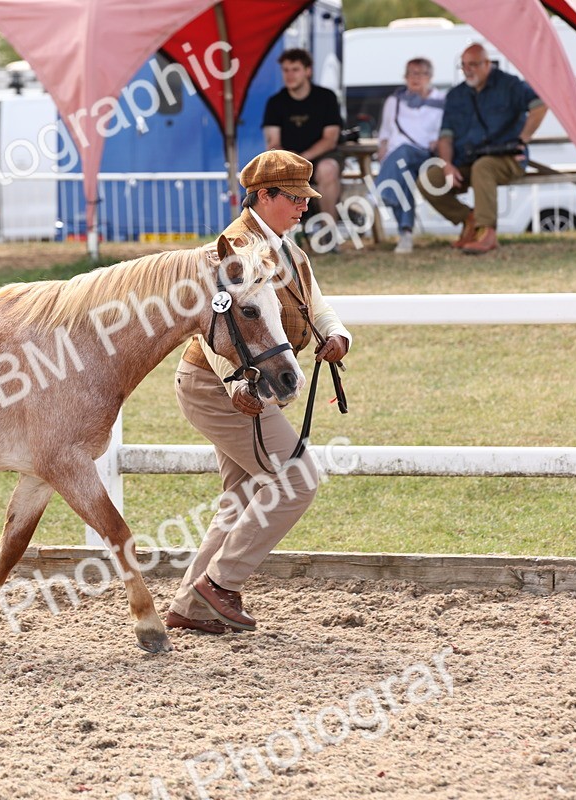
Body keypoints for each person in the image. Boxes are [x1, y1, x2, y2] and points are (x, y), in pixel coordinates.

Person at [165, 150, 352, 635]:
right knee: (297, 479)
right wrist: (234, 383)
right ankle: (220, 584)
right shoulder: (230, 252)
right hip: (222, 388)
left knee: (243, 494)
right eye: (293, 198)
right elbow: (214, 323)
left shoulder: (288, 249)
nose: (304, 207)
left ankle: (190, 605)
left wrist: (334, 333)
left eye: (305, 198)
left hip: (246, 386)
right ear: (263, 196)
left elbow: (313, 300)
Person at [419, 43, 548, 255]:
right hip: (466, 159)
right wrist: (448, 165)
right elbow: (446, 135)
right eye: (464, 65)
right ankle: (468, 219)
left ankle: (487, 233)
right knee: (429, 179)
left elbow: (540, 105)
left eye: (474, 64)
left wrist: (523, 139)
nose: (468, 69)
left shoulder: (510, 85)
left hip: (507, 158)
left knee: (483, 167)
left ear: (487, 63)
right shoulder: (456, 95)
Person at [262, 48, 344, 222]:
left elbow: (330, 139)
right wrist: (291, 159)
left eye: (295, 69)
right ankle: (283, 235)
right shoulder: (275, 103)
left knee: (328, 170)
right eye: (286, 70)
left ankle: (328, 231)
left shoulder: (326, 98)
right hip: (287, 160)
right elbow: (272, 143)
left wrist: (303, 158)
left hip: (321, 157)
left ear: (308, 71)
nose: (290, 75)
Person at [375, 58, 446, 254]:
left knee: (403, 153)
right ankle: (405, 233)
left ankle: (381, 192)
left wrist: (438, 141)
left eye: (420, 73)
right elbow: (385, 133)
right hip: (397, 156)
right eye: (410, 73)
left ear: (429, 76)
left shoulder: (441, 101)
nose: (415, 78)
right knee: (401, 172)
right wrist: (382, 151)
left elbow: (445, 132)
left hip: (425, 154)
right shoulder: (394, 101)